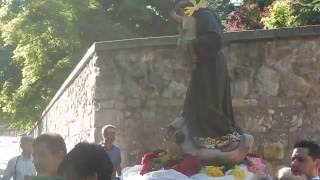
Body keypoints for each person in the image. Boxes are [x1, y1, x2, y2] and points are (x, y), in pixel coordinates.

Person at [179, 0, 244, 151]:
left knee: (209, 103)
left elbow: (215, 39)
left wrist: (192, 44)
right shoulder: (200, 17)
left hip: (211, 66)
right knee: (194, 102)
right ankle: (205, 139)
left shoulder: (205, 16)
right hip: (203, 65)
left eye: (183, 13)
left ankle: (227, 137)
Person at [170, 0, 198, 65]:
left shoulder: (187, 18)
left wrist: (180, 32)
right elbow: (179, 19)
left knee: (184, 46)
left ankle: (181, 56)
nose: (180, 12)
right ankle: (193, 57)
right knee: (189, 47)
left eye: (180, 10)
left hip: (189, 37)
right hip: (192, 37)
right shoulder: (191, 17)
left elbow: (184, 30)